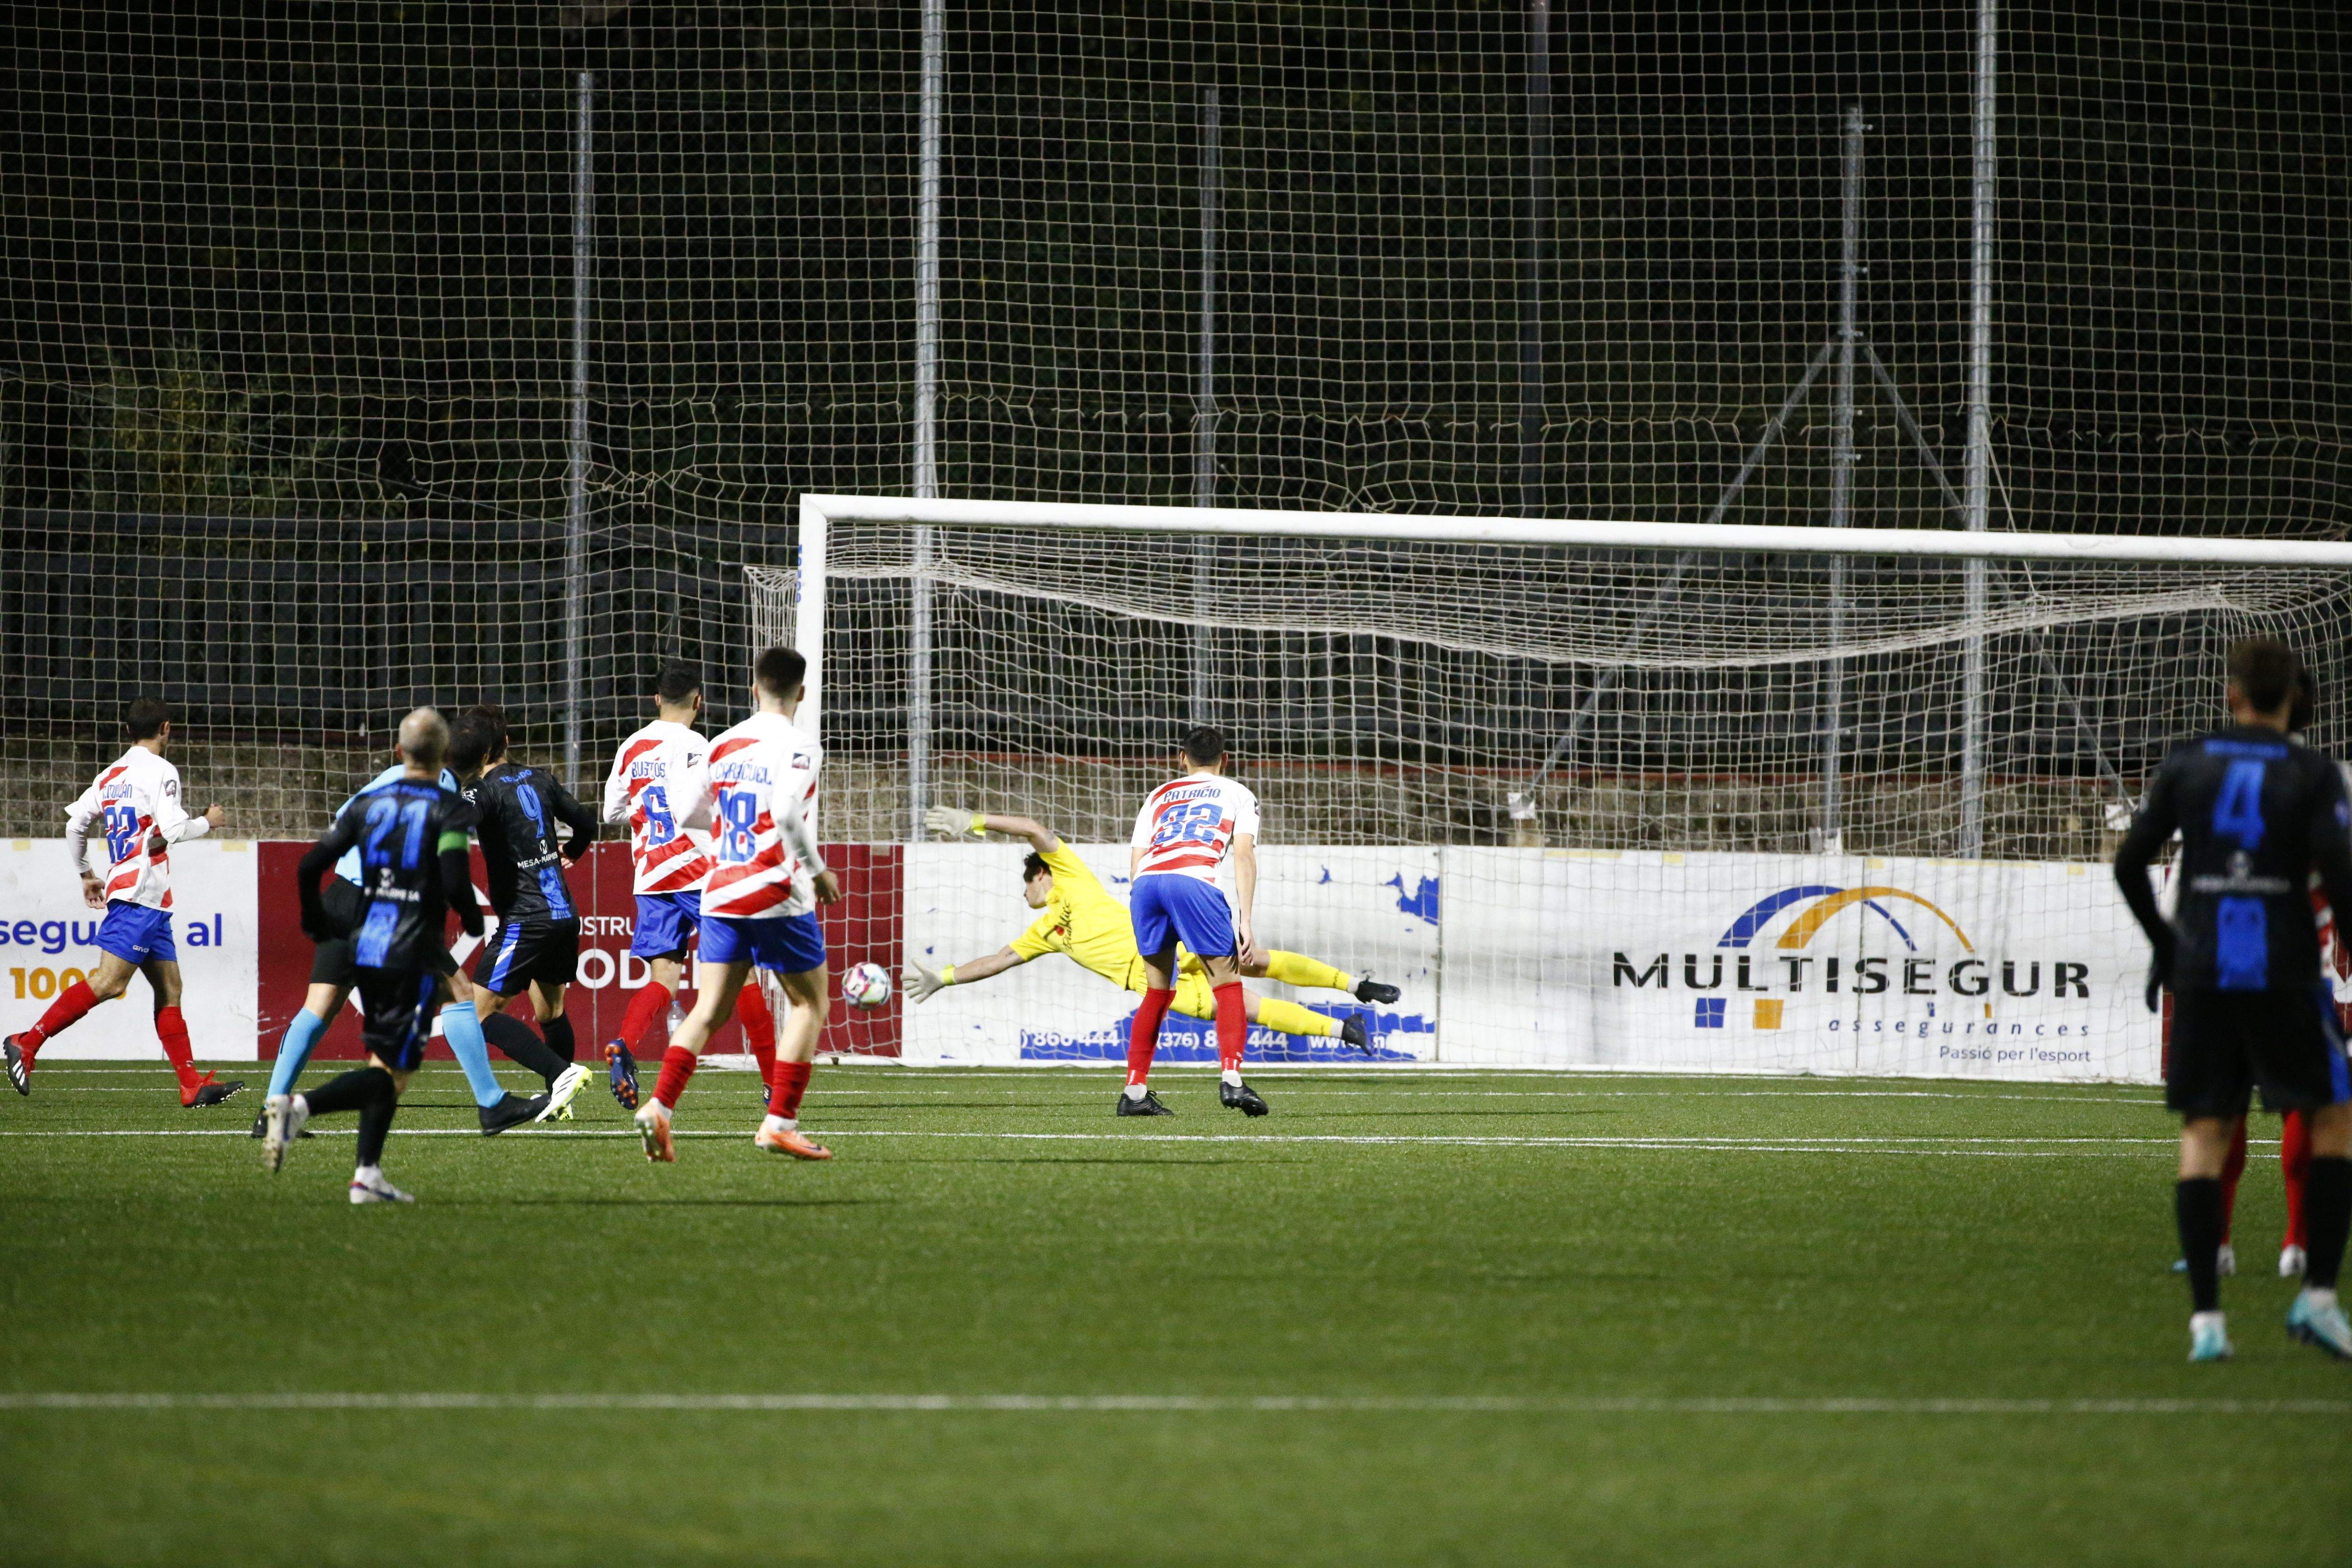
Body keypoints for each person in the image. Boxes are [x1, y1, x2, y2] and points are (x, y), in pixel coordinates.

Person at [2115, 637, 2352, 1362]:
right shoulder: (2313, 772)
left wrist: (2166, 944)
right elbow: (2340, 876)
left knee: (2204, 1132)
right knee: (2336, 1116)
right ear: (2297, 698)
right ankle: (2316, 1296)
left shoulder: (2188, 761)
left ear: (2232, 694)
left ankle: (2208, 1324)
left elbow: (2131, 863)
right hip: (2281, 969)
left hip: (2206, 967)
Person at [908, 806, 1397, 1055]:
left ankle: (1357, 986)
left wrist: (973, 822)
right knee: (1248, 1008)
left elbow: (1036, 830)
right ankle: (1344, 1030)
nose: (1023, 896)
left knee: (1254, 960)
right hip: (1155, 985)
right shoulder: (1046, 933)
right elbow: (998, 960)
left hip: (1166, 946)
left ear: (1042, 874)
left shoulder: (1072, 874)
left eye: (1026, 884)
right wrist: (944, 976)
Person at [256, 739, 546, 1137]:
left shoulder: (388, 777)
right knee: (460, 994)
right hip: (381, 905)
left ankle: (271, 1110)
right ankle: (492, 1104)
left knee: (319, 1007)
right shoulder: (440, 783)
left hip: (341, 893)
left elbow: (343, 821)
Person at [632, 646, 841, 1163]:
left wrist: (731, 833)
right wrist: (818, 872)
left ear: (753, 689)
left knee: (708, 1009)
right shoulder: (800, 746)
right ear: (803, 692)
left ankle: (659, 1107)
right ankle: (780, 1123)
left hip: (721, 891)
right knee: (810, 1004)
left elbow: (686, 811)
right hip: (773, 891)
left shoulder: (722, 744)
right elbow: (789, 814)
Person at [271, 708, 485, 1202]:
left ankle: (367, 1174)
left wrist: (313, 919)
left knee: (382, 1059)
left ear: (398, 751)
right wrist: (473, 921)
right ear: (444, 755)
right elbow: (455, 878)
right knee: (392, 1071)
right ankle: (298, 1107)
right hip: (409, 944)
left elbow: (310, 865)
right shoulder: (448, 806)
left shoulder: (369, 803)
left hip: (367, 933)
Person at [5, 697, 241, 1107]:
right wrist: (208, 821)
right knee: (109, 983)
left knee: (170, 990)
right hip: (139, 895)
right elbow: (173, 829)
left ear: (129, 731)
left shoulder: (111, 775)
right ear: (166, 728)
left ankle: (191, 1085)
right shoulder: (163, 771)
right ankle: (27, 1041)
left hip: (146, 895)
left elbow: (76, 822)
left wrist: (85, 873)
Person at [597, 662, 780, 1108]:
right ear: (699, 702)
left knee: (664, 978)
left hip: (651, 873)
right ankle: (775, 1081)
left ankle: (624, 1043)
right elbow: (699, 805)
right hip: (697, 871)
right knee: (744, 973)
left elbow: (609, 813)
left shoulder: (631, 746)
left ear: (657, 699)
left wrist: (644, 813)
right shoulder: (697, 745)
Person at [448, 707, 593, 1119]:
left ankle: (561, 1074)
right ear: (507, 742)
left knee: (477, 1014)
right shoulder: (542, 778)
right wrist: (573, 852)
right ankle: (562, 1097)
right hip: (564, 914)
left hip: (526, 920)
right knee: (551, 1012)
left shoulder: (482, 790)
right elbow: (585, 822)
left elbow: (462, 820)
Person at [1118, 726, 1264, 1118]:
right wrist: (1246, 921)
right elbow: (1244, 855)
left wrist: (1143, 905)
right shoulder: (1238, 793)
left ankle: (1134, 1091)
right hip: (1193, 881)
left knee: (1158, 991)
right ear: (1225, 759)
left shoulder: (1159, 794)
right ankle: (1232, 1080)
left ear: (1182, 758)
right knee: (1228, 985)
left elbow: (1138, 856)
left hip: (1147, 885)